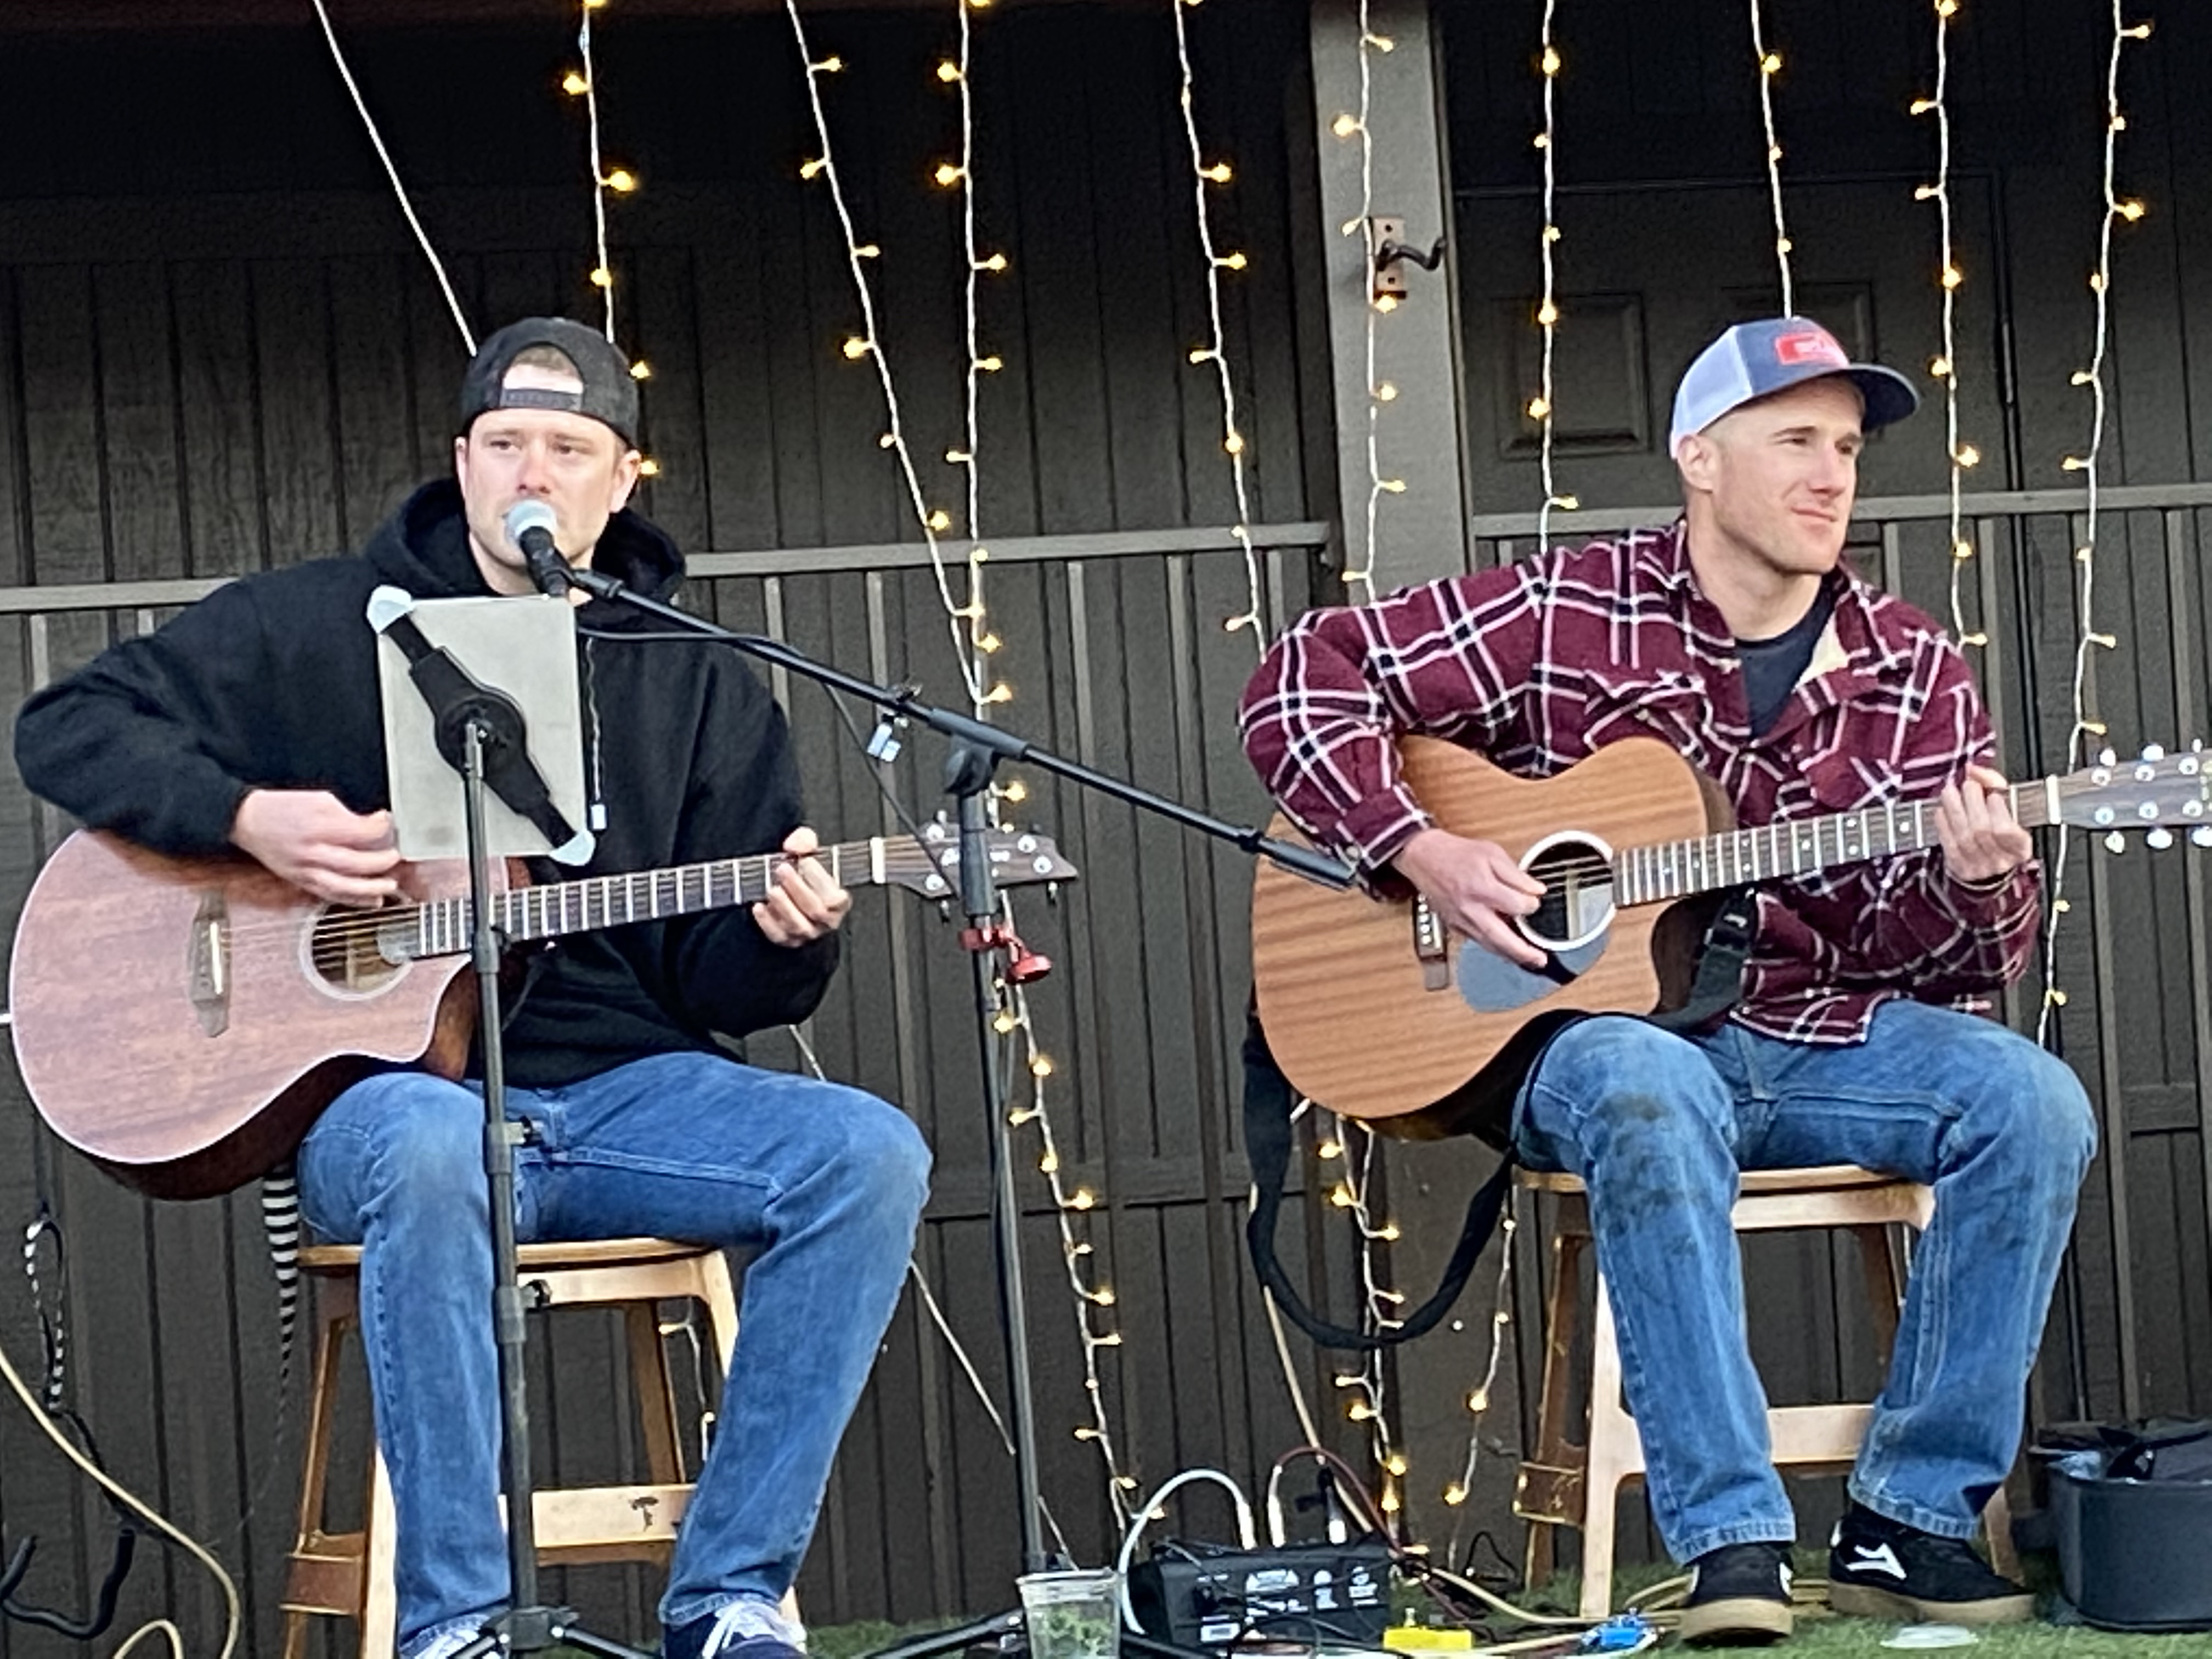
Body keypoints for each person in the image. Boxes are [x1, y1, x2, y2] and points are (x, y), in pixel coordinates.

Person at [14, 318, 932, 1659]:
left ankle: (729, 1601)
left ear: (622, 484)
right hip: (383, 1109)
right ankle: (463, 1625)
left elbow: (717, 981)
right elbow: (66, 727)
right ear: (461, 462)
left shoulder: (689, 675)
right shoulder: (318, 627)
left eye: (570, 450)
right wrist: (246, 814)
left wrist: (792, 932)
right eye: (506, 444)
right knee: (442, 1144)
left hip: (623, 1100)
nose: (534, 474)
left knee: (867, 1154)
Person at [1239, 317, 2096, 1645]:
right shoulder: (1566, 608)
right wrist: (1426, 850)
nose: (1832, 476)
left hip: (1815, 1033)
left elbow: (1948, 964)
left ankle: (1908, 1517)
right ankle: (1732, 1543)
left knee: (2031, 1101)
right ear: (1700, 456)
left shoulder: (1909, 665)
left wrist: (1983, 879)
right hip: (1587, 1043)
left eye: (1848, 448)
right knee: (1646, 1082)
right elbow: (1303, 679)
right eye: (1795, 439)